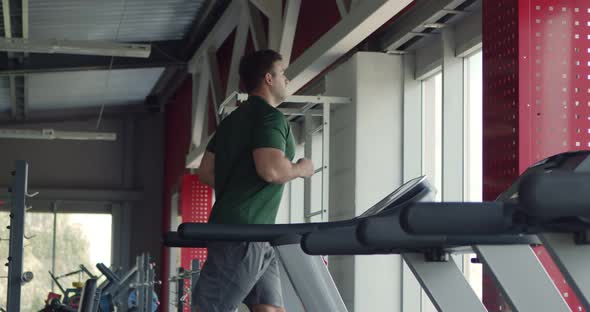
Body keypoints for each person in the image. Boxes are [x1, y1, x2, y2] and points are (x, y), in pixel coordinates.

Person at [193, 49, 315, 312]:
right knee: (209, 308)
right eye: (283, 73)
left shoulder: (231, 121)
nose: (287, 80)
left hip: (258, 234)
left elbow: (205, 171)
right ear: (269, 79)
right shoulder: (270, 117)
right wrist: (301, 168)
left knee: (269, 309)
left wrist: (238, 185)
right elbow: (271, 170)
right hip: (243, 233)